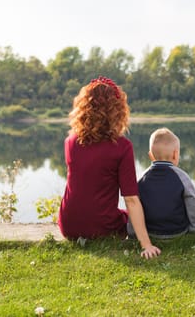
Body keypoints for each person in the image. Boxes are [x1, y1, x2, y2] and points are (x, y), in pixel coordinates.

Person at [58, 76, 160, 259]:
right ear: (117, 111)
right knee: (128, 216)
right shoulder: (122, 146)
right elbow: (131, 200)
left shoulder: (70, 142)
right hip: (102, 227)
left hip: (68, 225)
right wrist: (146, 244)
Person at [128, 127, 195, 239]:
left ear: (151, 156)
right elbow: (192, 204)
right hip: (177, 231)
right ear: (175, 154)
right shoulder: (182, 177)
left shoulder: (141, 179)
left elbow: (134, 206)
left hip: (150, 232)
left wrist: (133, 233)